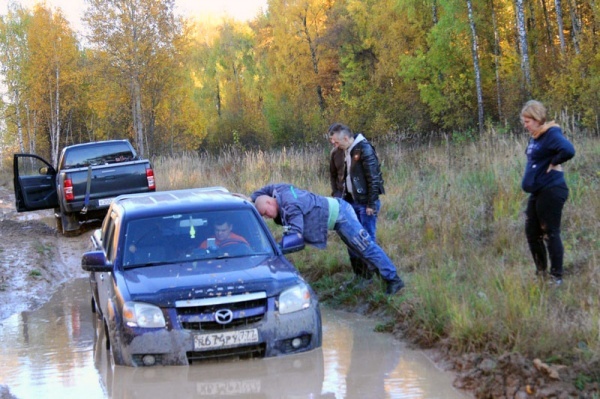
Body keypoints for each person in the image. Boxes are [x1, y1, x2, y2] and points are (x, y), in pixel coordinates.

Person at [251, 183, 405, 295]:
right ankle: (369, 278)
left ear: (271, 202)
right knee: (357, 250)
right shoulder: (278, 190)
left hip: (341, 214)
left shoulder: (291, 206)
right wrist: (251, 199)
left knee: (364, 246)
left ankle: (393, 280)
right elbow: (262, 192)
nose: (267, 217)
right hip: (336, 214)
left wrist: (274, 249)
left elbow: (296, 236)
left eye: (265, 212)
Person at [520, 100, 575, 286]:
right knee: (532, 232)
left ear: (536, 119)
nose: (525, 125)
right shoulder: (536, 136)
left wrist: (554, 162)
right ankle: (541, 274)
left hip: (551, 190)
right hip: (538, 190)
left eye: (527, 121)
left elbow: (568, 150)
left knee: (550, 232)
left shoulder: (551, 133)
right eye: (524, 121)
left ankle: (556, 277)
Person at [328, 123, 385, 281]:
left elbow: (374, 179)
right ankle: (360, 276)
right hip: (349, 203)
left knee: (366, 241)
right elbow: (338, 177)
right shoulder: (342, 151)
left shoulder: (364, 149)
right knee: (351, 240)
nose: (334, 145)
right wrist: (338, 196)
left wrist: (371, 204)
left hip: (365, 204)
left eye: (336, 141)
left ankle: (374, 277)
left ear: (345, 138)